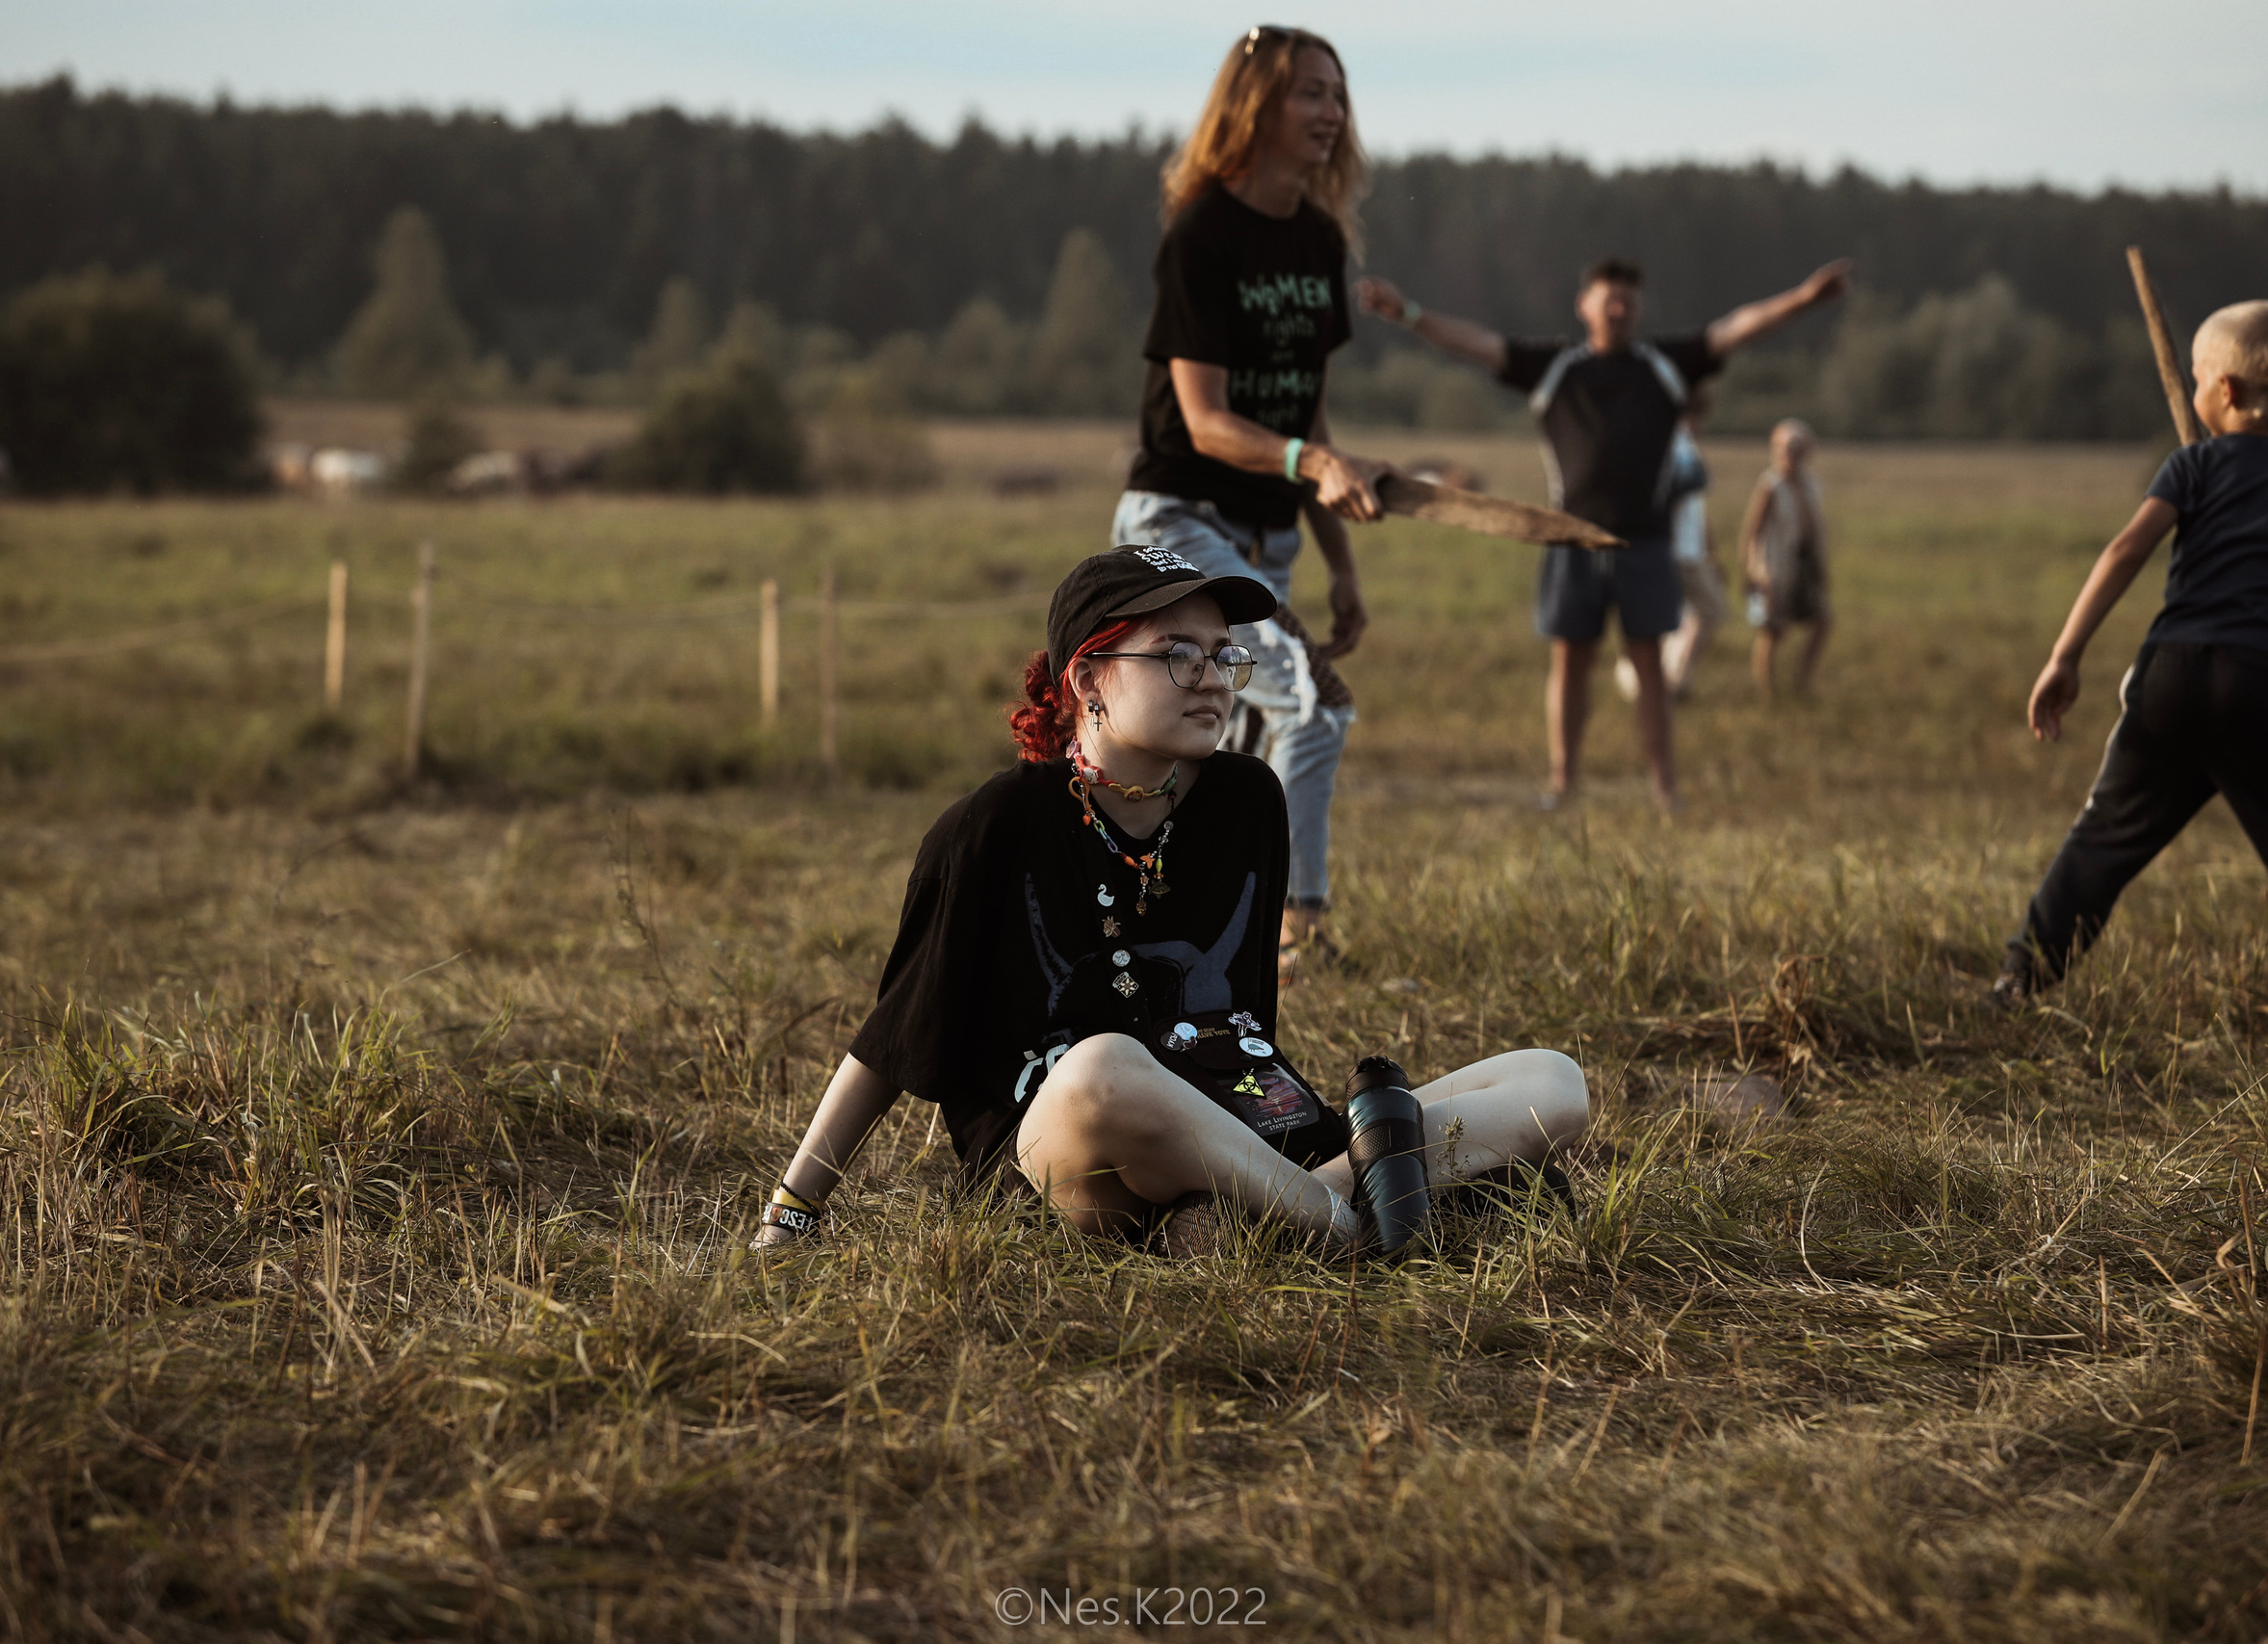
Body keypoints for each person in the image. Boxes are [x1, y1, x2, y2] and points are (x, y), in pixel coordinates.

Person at [748, 548, 1592, 1255]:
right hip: (1074, 1153)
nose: (1215, 680)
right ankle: (1358, 1211)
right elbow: (890, 1040)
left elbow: (1246, 1021)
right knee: (1105, 1067)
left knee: (1553, 1084)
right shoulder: (996, 823)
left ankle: (1268, 1216)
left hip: (1241, 1130)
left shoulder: (1249, 799)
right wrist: (793, 1209)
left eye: (1225, 655)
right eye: (1177, 654)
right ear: (1089, 679)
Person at [1993, 300, 2268, 1044]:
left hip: (2169, 674)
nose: (2193, 391)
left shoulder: (2191, 465)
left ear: (2222, 392)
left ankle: (2019, 978)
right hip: (2261, 681)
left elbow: (2125, 551)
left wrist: (2065, 656)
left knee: (2103, 837)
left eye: (2197, 378)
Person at [1358, 256, 1849, 809]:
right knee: (1570, 662)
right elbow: (1476, 343)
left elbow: (1737, 328)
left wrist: (1803, 300)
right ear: (1584, 305)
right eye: (1609, 299)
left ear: (1639, 310)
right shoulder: (1555, 368)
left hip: (1646, 543)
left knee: (1650, 664)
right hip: (1570, 541)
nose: (1619, 310)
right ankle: (1563, 783)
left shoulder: (1665, 365)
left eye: (1629, 302)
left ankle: (1666, 789)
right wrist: (1410, 314)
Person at [1114, 25, 1392, 982]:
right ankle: (1300, 931)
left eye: (1337, 94)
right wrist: (1314, 460)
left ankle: (1189, 932)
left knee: (1229, 742)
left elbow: (1304, 413)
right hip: (1179, 526)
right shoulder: (1201, 234)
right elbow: (1206, 420)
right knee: (1310, 708)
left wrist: (1341, 562)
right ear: (1255, 106)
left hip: (1269, 539)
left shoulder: (1318, 241)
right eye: (1309, 94)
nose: (1330, 113)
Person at [1615, 387, 1721, 702]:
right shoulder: (1677, 440)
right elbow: (1677, 493)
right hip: (1674, 549)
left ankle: (1653, 679)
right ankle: (1667, 681)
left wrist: (1709, 550)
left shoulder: (1664, 439)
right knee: (1705, 611)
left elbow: (1694, 507)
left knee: (1667, 619)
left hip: (1681, 548)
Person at [1739, 418, 1830, 697]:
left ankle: (1802, 680)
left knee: (1823, 620)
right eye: (1789, 447)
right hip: (1776, 568)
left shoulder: (1810, 483)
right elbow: (1752, 531)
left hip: (1805, 564)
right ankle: (1768, 691)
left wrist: (1822, 565)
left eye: (1800, 447)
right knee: (1773, 630)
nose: (1794, 453)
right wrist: (1754, 572)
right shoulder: (1770, 485)